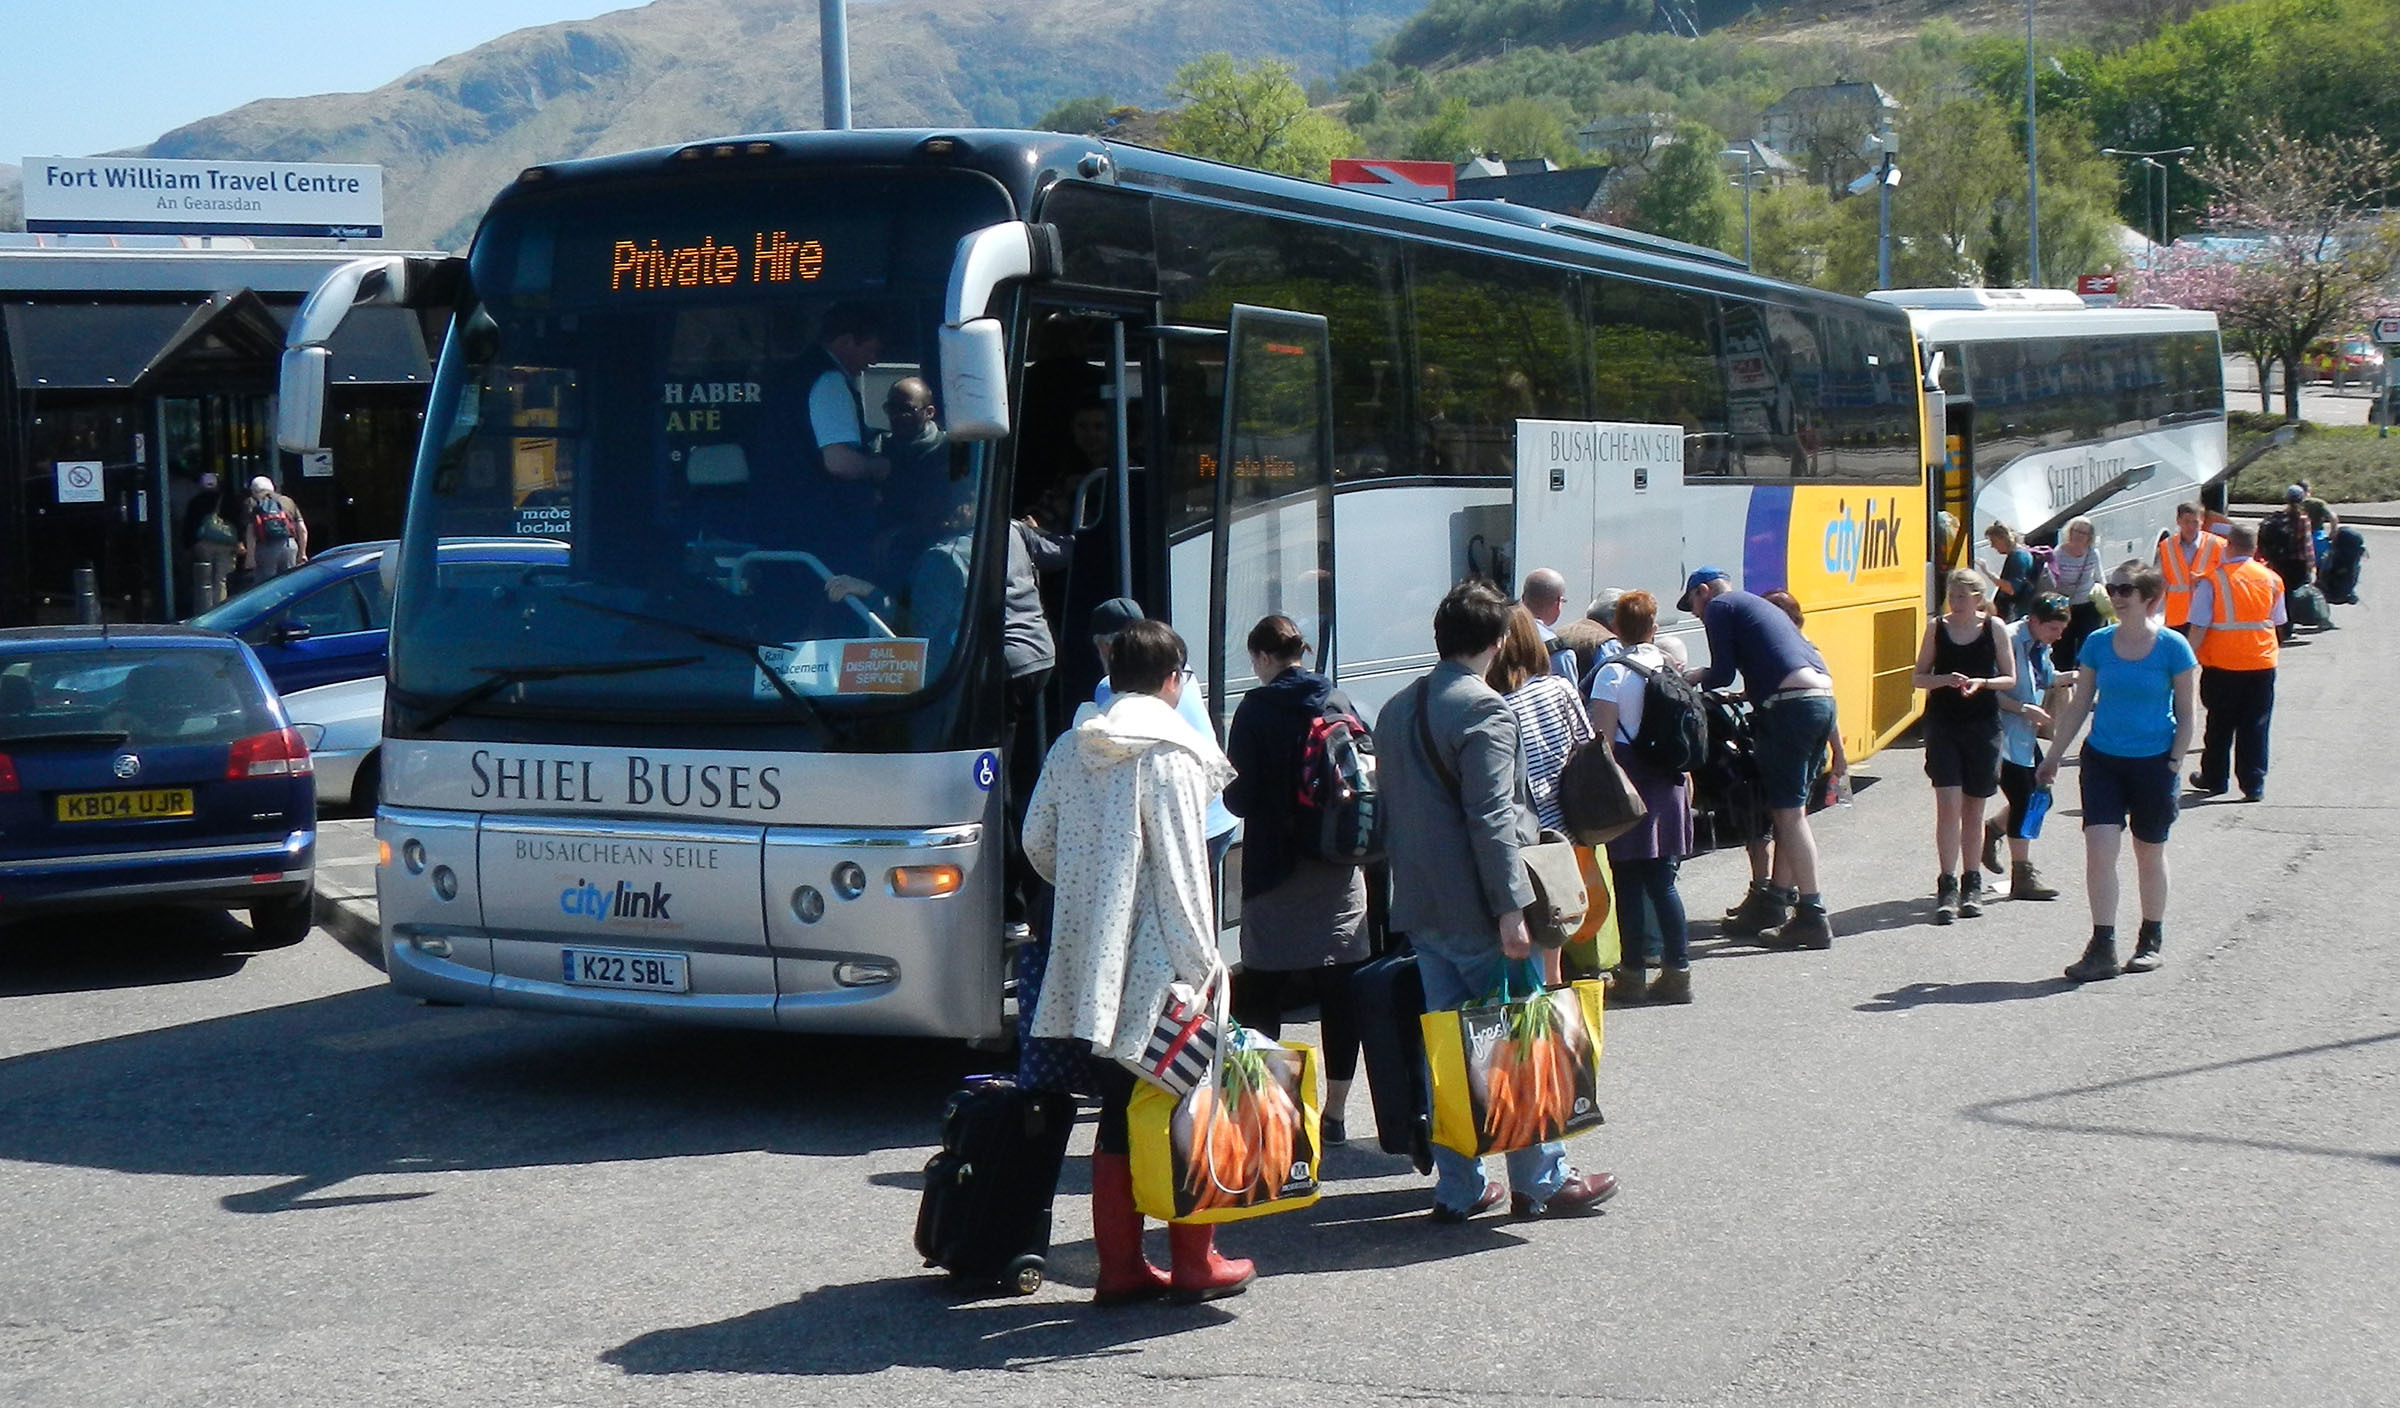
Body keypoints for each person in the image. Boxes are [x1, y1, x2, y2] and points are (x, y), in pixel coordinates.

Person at [1020, 618, 1254, 1303]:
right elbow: (1185, 873)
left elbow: (1037, 840)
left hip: (1090, 957)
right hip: (1160, 963)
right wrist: (1206, 967)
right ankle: (1194, 1261)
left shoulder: (1072, 745)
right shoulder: (1171, 755)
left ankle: (1120, 1268)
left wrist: (1091, 887)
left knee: (1119, 1111)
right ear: (1174, 679)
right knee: (1187, 1100)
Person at [1374, 580, 1618, 1222]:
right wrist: (1513, 909)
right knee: (1521, 1037)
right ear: (1501, 639)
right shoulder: (1484, 710)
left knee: (1450, 1047)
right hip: (1482, 909)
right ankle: (1542, 1178)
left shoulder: (1397, 708)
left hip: (1422, 909)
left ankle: (1460, 1185)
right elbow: (1492, 818)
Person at [1222, 615, 1370, 1145]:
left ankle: (1274, 1110)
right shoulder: (1338, 699)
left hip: (1274, 868)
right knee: (1339, 993)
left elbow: (1237, 796)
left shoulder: (1256, 709)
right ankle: (1334, 1112)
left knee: (1263, 990)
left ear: (1261, 657)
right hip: (1335, 868)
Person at [2036, 562, 2200, 982]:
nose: (2118, 595)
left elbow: (2186, 712)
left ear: (2148, 597)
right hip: (2103, 759)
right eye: (2114, 587)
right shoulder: (2097, 643)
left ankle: (2150, 940)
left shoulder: (2172, 647)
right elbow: (2079, 703)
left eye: (2127, 589)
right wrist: (2054, 755)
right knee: (2100, 852)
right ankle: (2103, 946)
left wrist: (2175, 761)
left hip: (2154, 762)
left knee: (2149, 853)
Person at [1681, 568, 1837, 949]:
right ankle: (1775, 900)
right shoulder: (1753, 606)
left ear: (1704, 592)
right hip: (1820, 701)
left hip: (1791, 709)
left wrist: (1691, 675)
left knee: (1789, 814)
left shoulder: (1721, 606)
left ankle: (1813, 913)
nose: (1700, 616)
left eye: (1695, 608)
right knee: (1790, 807)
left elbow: (1719, 673)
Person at [1588, 591, 1695, 1005]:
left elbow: (1603, 742)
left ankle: (1633, 973)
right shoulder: (1667, 667)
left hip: (1628, 781)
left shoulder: (1610, 674)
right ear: (1654, 627)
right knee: (1664, 881)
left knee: (1629, 882)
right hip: (1667, 780)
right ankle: (1678, 970)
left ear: (1616, 627)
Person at [1087, 598, 1238, 878]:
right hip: (1219, 813)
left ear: (1106, 647)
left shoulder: (1110, 689)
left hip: (1185, 824)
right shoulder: (1179, 671)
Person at [1910, 569, 2015, 923]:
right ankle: (1947, 883)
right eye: (1951, 597)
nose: (1954, 603)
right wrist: (1944, 680)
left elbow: (2009, 677)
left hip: (1982, 725)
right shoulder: (1937, 628)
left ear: (1977, 598)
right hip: (1944, 725)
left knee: (1974, 808)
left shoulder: (1994, 628)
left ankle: (1973, 881)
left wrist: (1982, 682)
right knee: (1948, 807)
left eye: (1961, 597)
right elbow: (1918, 676)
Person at [2185, 521, 2286, 803]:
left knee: (2219, 723)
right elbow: (2278, 621)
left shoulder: (2212, 580)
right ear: (2254, 549)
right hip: (2261, 661)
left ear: (2228, 547)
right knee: (2255, 724)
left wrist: (2187, 660)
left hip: (2222, 663)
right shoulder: (2271, 578)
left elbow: (2199, 625)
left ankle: (2215, 779)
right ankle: (2253, 783)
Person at [1992, 593, 2074, 901]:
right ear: (2035, 621)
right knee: (2024, 798)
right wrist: (2024, 709)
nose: (2059, 636)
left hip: (2024, 733)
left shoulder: (2040, 646)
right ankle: (2022, 874)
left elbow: (2046, 679)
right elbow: (1988, 689)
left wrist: (2078, 677)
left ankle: (1995, 829)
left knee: (2042, 796)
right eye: (2054, 628)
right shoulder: (2009, 639)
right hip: (2002, 732)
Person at [1489, 603, 1594, 838]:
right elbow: (1589, 748)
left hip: (1530, 834)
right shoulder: (1560, 688)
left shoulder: (1496, 707)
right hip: (1577, 825)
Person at [2046, 517, 2106, 673]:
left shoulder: (2093, 554)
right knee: (2063, 649)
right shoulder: (2058, 553)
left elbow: (2100, 578)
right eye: (2075, 531)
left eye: (2083, 533)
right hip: (2064, 606)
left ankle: (2085, 680)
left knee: (2087, 646)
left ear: (2089, 537)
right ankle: (2064, 687)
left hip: (2087, 605)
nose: (2078, 535)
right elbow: (2053, 582)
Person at [2155, 501, 2225, 635]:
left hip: (2208, 615)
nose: (2191, 527)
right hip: (2177, 617)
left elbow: (2227, 576)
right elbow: (2161, 581)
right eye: (2186, 522)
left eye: (2195, 522)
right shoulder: (2166, 547)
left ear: (2202, 521)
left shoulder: (2219, 545)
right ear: (2178, 521)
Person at [240, 476, 308, 583]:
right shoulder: (287, 501)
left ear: (253, 491)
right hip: (288, 545)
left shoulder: (252, 502)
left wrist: (250, 557)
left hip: (264, 548)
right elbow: (302, 529)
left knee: (265, 584)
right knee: (289, 582)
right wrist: (302, 553)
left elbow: (251, 531)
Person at [1519, 568, 1579, 680]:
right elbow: (1569, 695)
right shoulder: (1560, 653)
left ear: (1523, 598)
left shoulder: (1499, 635)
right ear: (1558, 603)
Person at [1984, 522, 2043, 622]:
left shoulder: (2017, 557)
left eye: (1994, 541)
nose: (1992, 546)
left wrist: (1987, 572)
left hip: (2015, 610)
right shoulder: (2024, 552)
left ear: (2003, 539)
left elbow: (2011, 589)